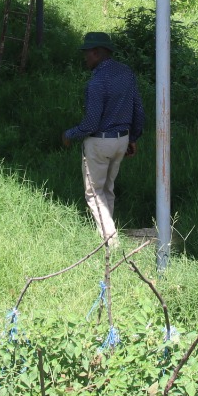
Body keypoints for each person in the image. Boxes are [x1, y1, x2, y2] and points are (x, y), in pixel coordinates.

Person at [62, 31, 144, 244]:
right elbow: (138, 109)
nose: (85, 58)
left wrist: (69, 135)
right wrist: (133, 137)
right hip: (122, 140)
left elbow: (90, 124)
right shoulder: (126, 73)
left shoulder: (97, 83)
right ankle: (108, 230)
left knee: (94, 193)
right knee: (108, 188)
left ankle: (111, 240)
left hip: (99, 143)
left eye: (86, 53)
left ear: (97, 53)